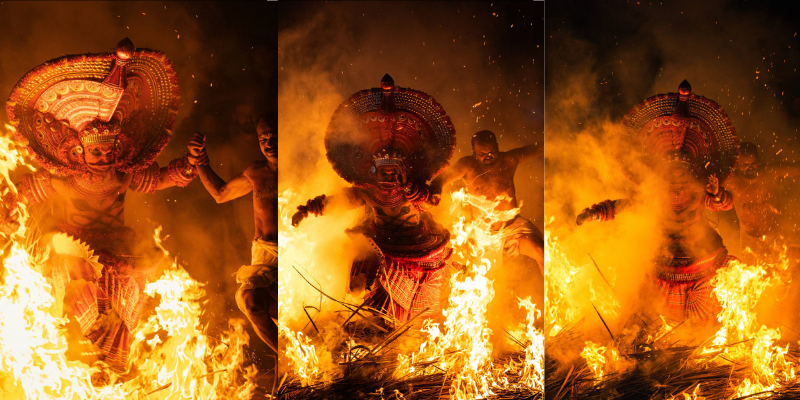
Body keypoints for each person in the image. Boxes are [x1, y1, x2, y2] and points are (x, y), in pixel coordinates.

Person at [1, 38, 193, 371]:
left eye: (108, 152)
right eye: (96, 152)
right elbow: (23, 195)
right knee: (79, 287)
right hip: (73, 251)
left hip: (120, 251)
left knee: (126, 306)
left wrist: (186, 168)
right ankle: (82, 362)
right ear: (80, 152)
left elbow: (160, 178)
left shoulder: (122, 177)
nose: (103, 158)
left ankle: (113, 366)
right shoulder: (64, 180)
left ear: (117, 150)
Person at [292, 75, 456, 327]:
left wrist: (409, 186)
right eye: (383, 172)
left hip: (418, 246)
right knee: (359, 285)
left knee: (418, 309)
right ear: (373, 172)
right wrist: (306, 210)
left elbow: (429, 203)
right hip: (381, 243)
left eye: (393, 172)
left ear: (402, 170)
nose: (388, 177)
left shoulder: (412, 188)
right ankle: (370, 319)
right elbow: (337, 201)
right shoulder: (368, 191)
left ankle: (401, 328)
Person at [576, 80, 739, 322]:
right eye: (671, 168)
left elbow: (723, 204)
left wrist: (717, 195)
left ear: (690, 169)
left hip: (701, 259)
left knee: (704, 321)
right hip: (664, 263)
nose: (676, 173)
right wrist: (594, 213)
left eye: (681, 168)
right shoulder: (654, 192)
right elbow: (625, 206)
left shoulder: (697, 189)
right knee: (651, 313)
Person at [187, 112, 279, 353]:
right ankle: (287, 358)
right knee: (254, 305)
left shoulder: (301, 169)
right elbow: (220, 194)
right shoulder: (256, 172)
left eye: (275, 137)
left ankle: (303, 363)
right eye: (264, 139)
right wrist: (200, 161)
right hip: (264, 259)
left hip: (298, 255)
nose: (270, 144)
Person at [430, 130, 544, 274]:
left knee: (541, 251)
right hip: (482, 235)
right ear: (474, 152)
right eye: (482, 154)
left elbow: (538, 148)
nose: (488, 157)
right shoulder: (467, 165)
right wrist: (435, 189)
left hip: (513, 228)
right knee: (481, 281)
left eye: (492, 152)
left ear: (497, 146)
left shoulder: (509, 159)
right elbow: (441, 179)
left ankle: (553, 295)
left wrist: (553, 142)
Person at [724, 142, 800, 263]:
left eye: (753, 163)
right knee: (749, 276)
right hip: (749, 239)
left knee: (780, 272)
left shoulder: (769, 173)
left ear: (758, 160)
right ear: (737, 165)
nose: (750, 167)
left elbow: (795, 168)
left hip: (774, 235)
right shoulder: (732, 182)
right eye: (745, 164)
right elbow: (708, 189)